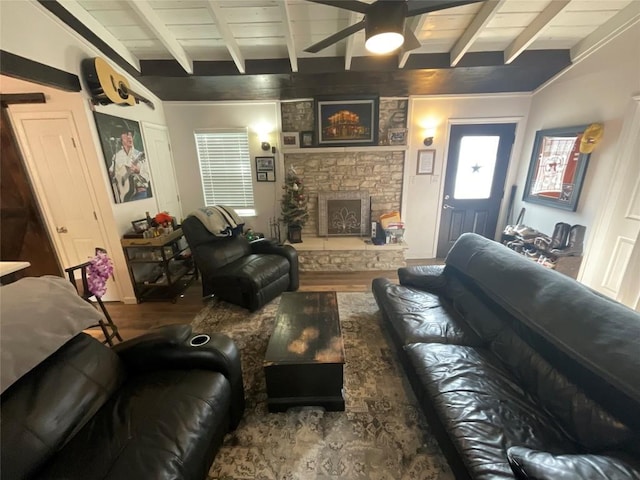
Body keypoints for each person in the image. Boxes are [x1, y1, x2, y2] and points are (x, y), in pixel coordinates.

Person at [110, 120, 151, 202]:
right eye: (126, 134)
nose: (129, 137)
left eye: (130, 134)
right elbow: (113, 173)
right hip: (124, 195)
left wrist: (138, 171)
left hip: (140, 193)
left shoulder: (139, 155)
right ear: (120, 138)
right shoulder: (116, 156)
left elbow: (149, 175)